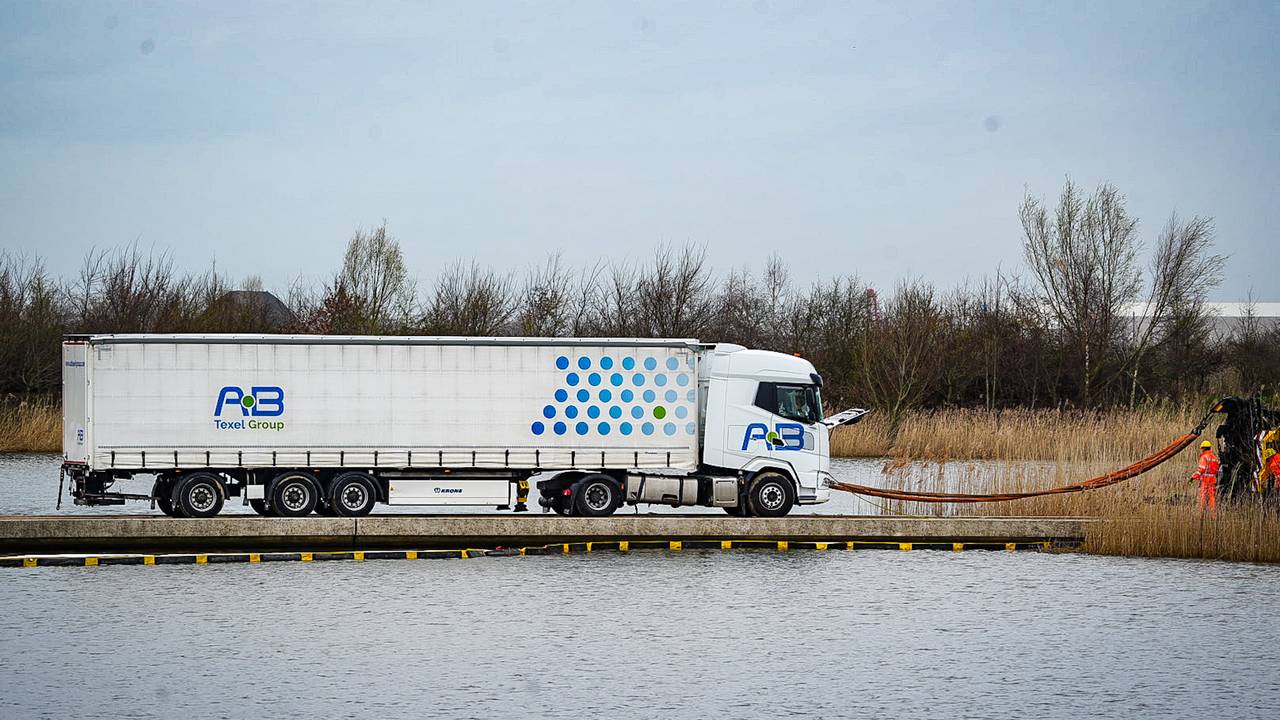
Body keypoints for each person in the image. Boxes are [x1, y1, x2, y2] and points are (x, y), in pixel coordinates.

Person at [1191, 439, 1220, 516]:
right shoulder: (1214, 458)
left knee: (1203, 498)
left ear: (1203, 448)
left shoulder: (1204, 457)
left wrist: (1193, 477)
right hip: (1213, 479)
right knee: (1212, 498)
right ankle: (1213, 516)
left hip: (1205, 480)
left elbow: (1201, 470)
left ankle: (1201, 515)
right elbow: (1217, 470)